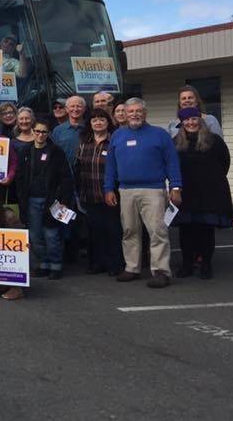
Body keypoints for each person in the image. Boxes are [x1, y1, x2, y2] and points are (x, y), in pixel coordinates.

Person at [104, 98, 181, 288]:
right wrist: (108, 188)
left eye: (138, 111)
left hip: (153, 190)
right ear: (125, 114)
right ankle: (132, 268)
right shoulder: (117, 136)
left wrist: (176, 187)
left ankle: (161, 271)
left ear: (145, 114)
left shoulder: (160, 135)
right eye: (131, 112)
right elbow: (110, 165)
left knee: (157, 231)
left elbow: (172, 162)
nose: (134, 115)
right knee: (129, 231)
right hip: (125, 190)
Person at [171, 107, 232, 279]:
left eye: (193, 119)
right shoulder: (176, 142)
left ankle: (206, 265)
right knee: (186, 231)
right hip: (186, 192)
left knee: (205, 231)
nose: (190, 123)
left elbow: (225, 162)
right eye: (186, 120)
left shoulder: (214, 140)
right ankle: (187, 265)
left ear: (200, 121)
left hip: (209, 192)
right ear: (182, 123)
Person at [14, 117, 73, 279]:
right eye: (37, 131)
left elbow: (66, 178)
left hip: (52, 200)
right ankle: (43, 264)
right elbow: (20, 178)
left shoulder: (56, 152)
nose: (40, 134)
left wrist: (64, 201)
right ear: (32, 131)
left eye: (44, 132)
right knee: (35, 235)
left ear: (48, 134)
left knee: (52, 234)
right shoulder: (25, 151)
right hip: (31, 200)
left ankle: (56, 265)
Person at [74, 108, 122, 276]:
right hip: (89, 193)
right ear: (90, 123)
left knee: (113, 230)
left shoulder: (114, 141)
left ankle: (114, 264)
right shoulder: (84, 142)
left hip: (110, 195)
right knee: (95, 231)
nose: (98, 122)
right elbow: (78, 168)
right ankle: (97, 263)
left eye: (102, 119)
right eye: (94, 120)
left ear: (108, 122)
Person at [52, 95, 86, 166]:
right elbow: (53, 153)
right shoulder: (58, 130)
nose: (75, 109)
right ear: (67, 109)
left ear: (84, 109)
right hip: (64, 172)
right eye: (72, 106)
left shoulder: (90, 128)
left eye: (79, 106)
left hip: (86, 172)